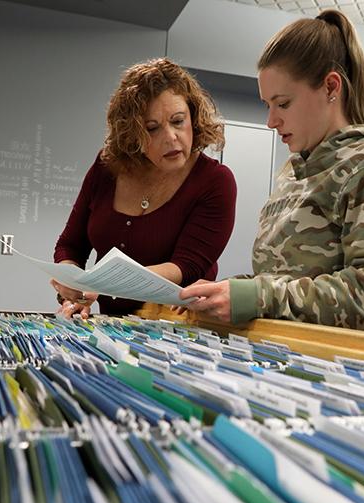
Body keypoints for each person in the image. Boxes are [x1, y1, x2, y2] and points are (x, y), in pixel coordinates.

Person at [179, 10, 364, 331]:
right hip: (282, 354)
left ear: (331, 87)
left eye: (283, 103)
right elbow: (279, 280)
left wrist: (254, 295)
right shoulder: (294, 171)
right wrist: (223, 291)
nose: (271, 121)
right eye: (267, 105)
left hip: (342, 367)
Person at [52, 58, 237, 317]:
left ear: (193, 119)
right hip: (110, 327)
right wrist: (71, 284)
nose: (171, 137)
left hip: (179, 332)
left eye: (178, 121)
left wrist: (97, 283)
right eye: (152, 128)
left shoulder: (215, 181)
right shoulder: (106, 168)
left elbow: (186, 267)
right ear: (131, 133)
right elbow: (70, 245)